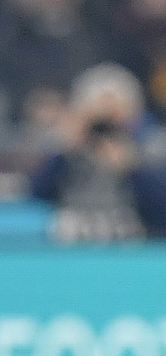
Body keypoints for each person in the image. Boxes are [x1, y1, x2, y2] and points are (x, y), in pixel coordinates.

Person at [30, 63, 166, 242]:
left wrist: (132, 169)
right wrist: (65, 151)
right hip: (73, 237)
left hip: (131, 239)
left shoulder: (151, 143)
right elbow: (37, 191)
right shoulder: (67, 145)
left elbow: (161, 206)